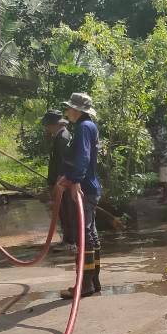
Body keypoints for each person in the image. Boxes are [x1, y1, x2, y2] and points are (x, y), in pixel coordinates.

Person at [58, 92, 102, 299]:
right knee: (91, 234)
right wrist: (68, 177)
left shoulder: (83, 127)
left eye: (69, 108)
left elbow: (83, 157)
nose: (67, 111)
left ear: (77, 110)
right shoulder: (89, 126)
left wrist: (75, 181)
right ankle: (93, 282)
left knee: (84, 235)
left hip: (84, 187)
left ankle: (84, 285)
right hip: (89, 186)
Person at [42, 110, 76, 250]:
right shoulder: (61, 136)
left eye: (48, 125)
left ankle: (70, 241)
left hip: (62, 182)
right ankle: (68, 240)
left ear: (54, 124)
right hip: (62, 181)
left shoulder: (62, 138)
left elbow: (63, 163)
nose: (47, 128)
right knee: (63, 211)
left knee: (66, 211)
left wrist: (58, 183)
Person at [148, 113, 167, 203]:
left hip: (164, 158)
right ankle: (164, 197)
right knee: (162, 179)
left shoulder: (159, 132)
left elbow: (158, 145)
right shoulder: (161, 130)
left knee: (163, 179)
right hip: (163, 157)